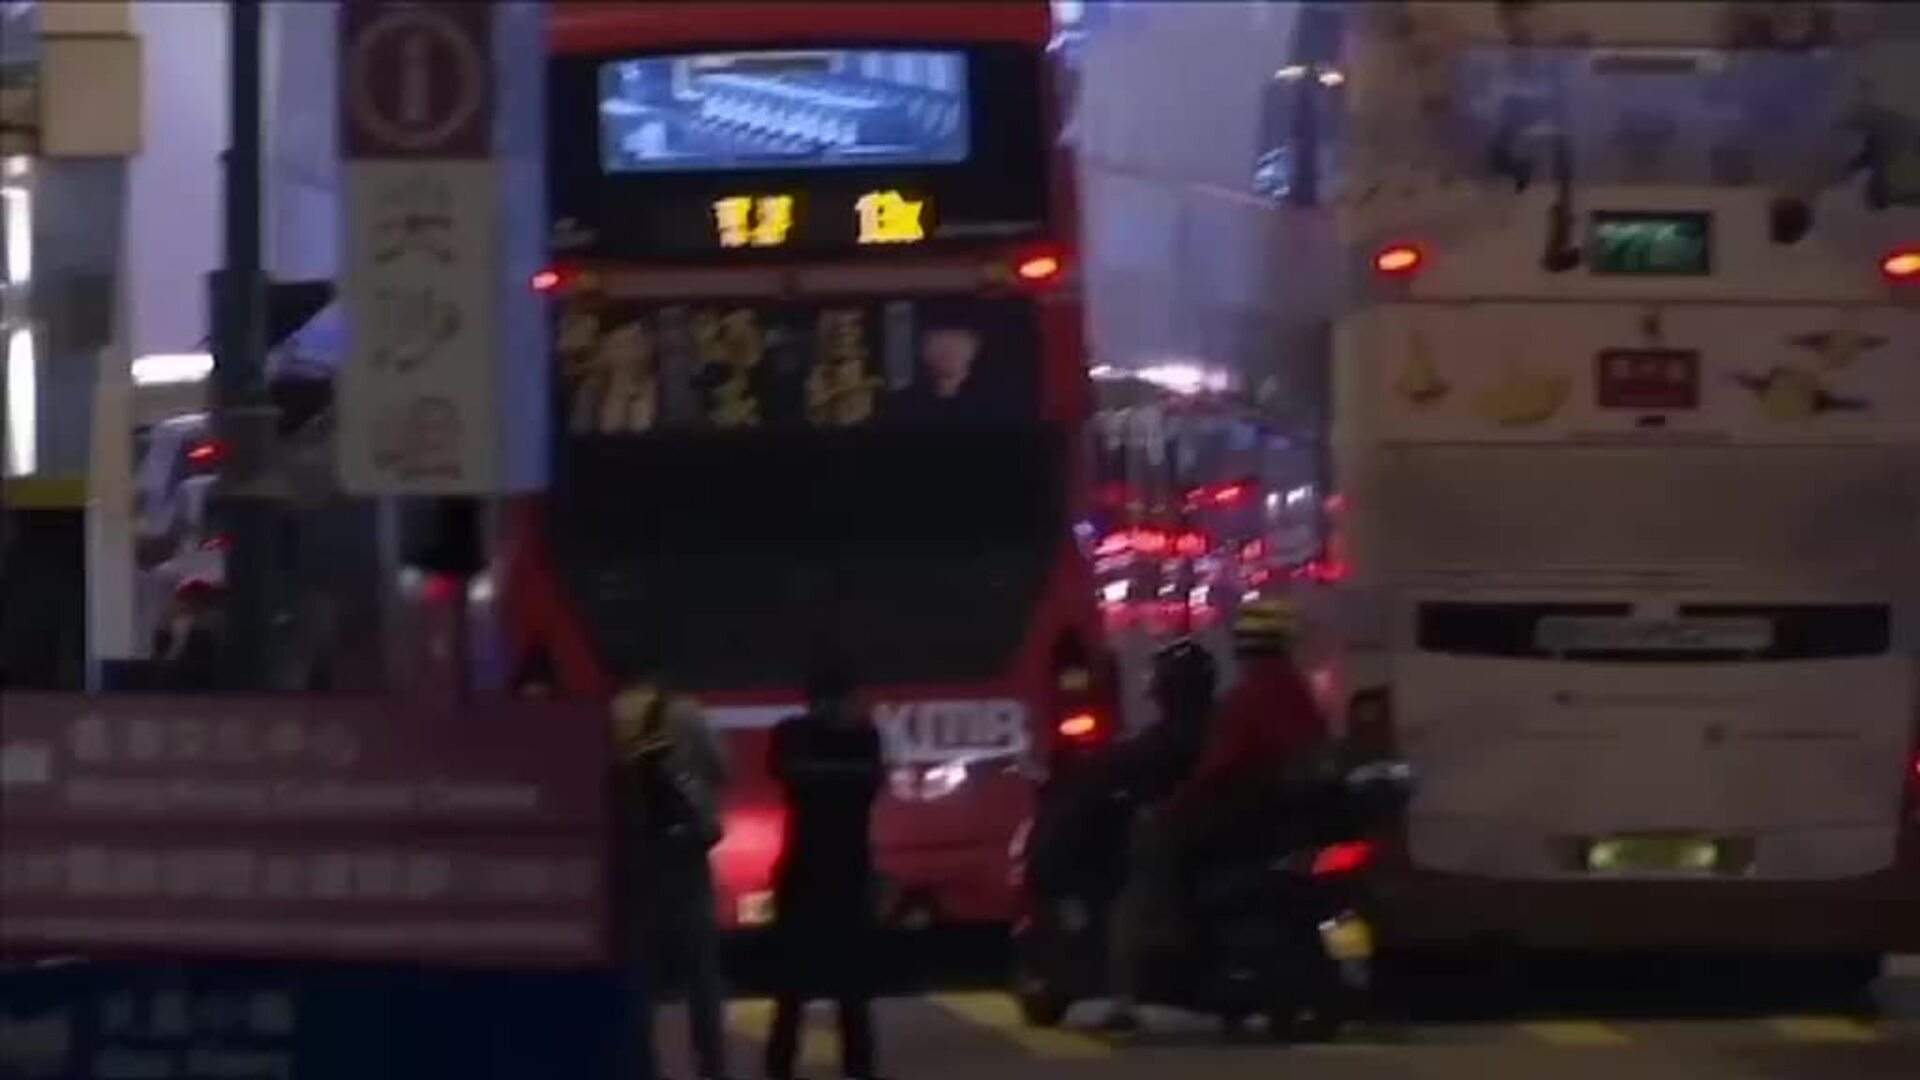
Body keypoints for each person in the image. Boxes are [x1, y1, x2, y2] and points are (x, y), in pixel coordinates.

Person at [764, 659, 886, 1080]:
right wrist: (843, 778)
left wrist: (818, 778)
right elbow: (866, 783)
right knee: (848, 984)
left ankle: (780, 1067)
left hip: (806, 870)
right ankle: (857, 1066)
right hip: (841, 871)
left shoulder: (793, 737)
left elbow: (793, 775)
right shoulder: (863, 739)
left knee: (794, 984)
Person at [611, 676, 731, 1080]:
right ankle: (712, 1066)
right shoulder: (685, 712)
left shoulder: (610, 715)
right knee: (702, 972)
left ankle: (641, 1065)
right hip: (686, 855)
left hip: (637, 855)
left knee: (641, 972)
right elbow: (721, 768)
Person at [1098, 638, 1219, 1032]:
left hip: (1183, 837)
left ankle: (1123, 1001)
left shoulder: (1171, 742)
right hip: (1218, 832)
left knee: (1128, 906)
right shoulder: (1219, 729)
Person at [1160, 596, 1332, 841]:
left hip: (1254, 819)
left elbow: (1216, 771)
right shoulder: (1298, 692)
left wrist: (1173, 807)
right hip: (1295, 813)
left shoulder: (1243, 701)